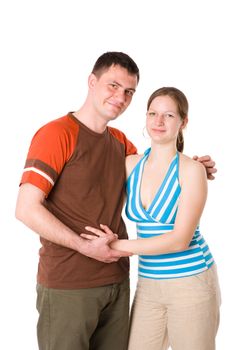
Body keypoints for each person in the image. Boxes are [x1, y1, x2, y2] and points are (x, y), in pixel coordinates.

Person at [15, 51, 217, 350]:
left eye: (129, 91)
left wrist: (196, 167)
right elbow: (26, 209)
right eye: (113, 85)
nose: (120, 97)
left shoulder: (121, 144)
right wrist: (84, 246)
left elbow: (159, 165)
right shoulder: (56, 134)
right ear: (92, 81)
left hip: (118, 282)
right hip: (70, 283)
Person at [82, 87, 221, 350]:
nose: (158, 121)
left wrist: (115, 246)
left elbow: (179, 240)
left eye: (168, 115)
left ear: (183, 122)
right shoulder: (130, 165)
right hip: (148, 285)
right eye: (152, 113)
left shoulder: (192, 171)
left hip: (190, 283)